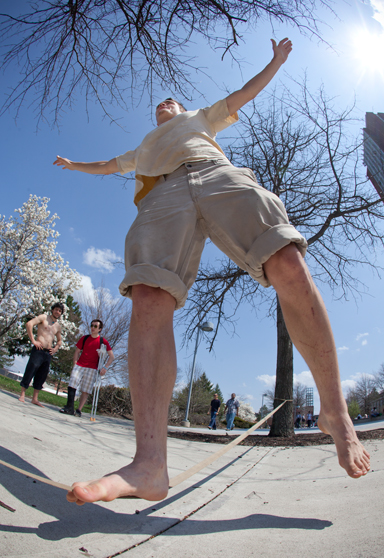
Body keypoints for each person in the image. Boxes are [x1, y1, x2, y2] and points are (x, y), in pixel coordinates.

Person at [54, 38, 370, 506]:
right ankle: (149, 466)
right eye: (159, 103)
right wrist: (72, 164)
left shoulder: (197, 119)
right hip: (163, 196)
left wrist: (276, 61)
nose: (164, 103)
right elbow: (105, 165)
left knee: (285, 257)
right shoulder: (144, 149)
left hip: (216, 173)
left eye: (171, 100)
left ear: (181, 108)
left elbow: (243, 94)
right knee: (149, 293)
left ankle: (336, 414)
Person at [59, 320, 114, 417]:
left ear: (100, 329)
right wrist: (75, 362)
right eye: (92, 325)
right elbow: (77, 351)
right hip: (80, 365)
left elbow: (111, 356)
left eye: (95, 326)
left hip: (92, 368)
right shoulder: (84, 338)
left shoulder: (103, 341)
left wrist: (105, 367)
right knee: (72, 383)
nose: (93, 328)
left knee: (85, 390)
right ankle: (69, 407)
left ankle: (79, 410)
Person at [19, 303, 63, 407]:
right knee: (31, 369)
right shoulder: (44, 317)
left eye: (60, 311)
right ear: (52, 310)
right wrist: (33, 341)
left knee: (42, 374)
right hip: (38, 349)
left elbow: (59, 341)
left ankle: (35, 399)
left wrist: (55, 348)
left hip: (48, 353)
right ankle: (22, 394)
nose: (58, 312)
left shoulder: (57, 326)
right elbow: (29, 324)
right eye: (56, 310)